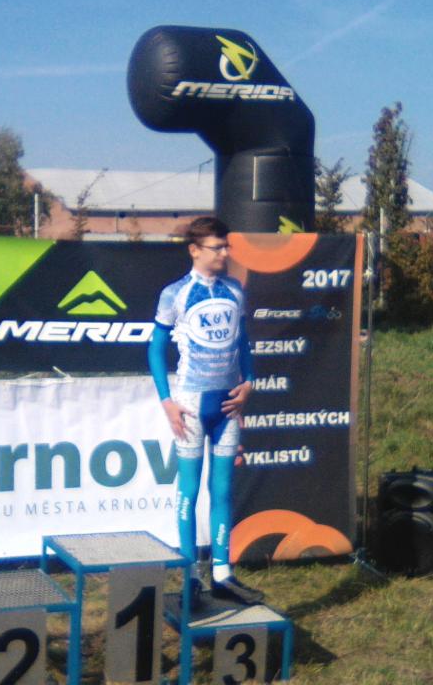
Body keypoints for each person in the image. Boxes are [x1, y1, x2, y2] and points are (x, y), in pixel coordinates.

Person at [148, 216, 264, 606]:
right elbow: (155, 349)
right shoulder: (175, 293)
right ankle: (189, 578)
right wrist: (167, 401)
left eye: (227, 246)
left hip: (228, 404)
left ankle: (222, 573)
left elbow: (243, 342)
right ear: (195, 250)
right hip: (192, 405)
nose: (225, 254)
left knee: (223, 489)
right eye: (218, 248)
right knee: (190, 490)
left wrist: (249, 383)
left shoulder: (235, 289)